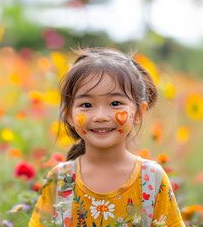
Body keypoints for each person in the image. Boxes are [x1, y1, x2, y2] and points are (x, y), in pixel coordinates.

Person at [29, 47, 185, 226]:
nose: (100, 116)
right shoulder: (60, 180)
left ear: (138, 113)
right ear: (69, 115)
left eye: (115, 103)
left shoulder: (150, 179)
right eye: (86, 104)